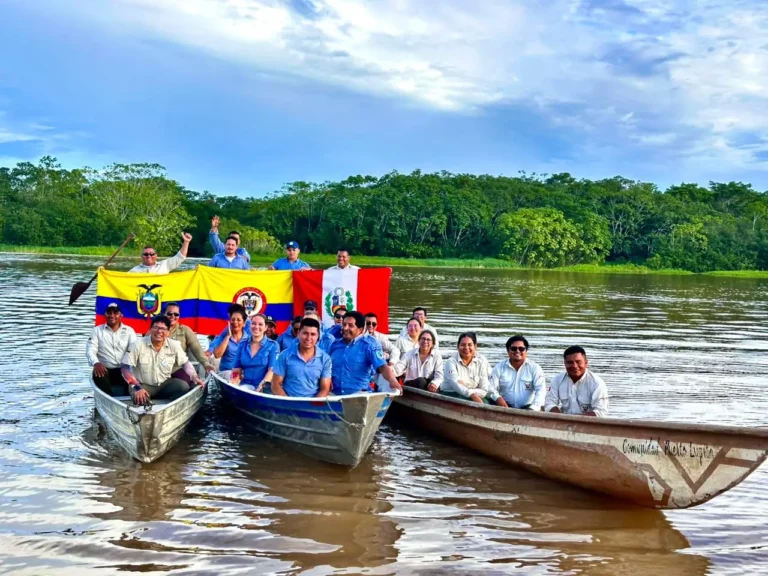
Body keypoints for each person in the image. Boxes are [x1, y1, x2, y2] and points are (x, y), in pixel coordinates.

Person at [121, 316, 205, 405]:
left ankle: (173, 409)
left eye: (163, 329)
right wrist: (136, 386)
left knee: (183, 386)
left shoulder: (174, 345)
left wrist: (194, 377)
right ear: (150, 329)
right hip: (142, 385)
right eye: (156, 327)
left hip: (164, 384)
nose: (159, 331)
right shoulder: (137, 344)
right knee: (140, 398)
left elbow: (185, 363)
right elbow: (125, 368)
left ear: (168, 332)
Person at [329, 311, 402, 395]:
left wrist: (393, 381)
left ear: (360, 329)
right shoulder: (334, 345)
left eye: (350, 325)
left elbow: (382, 366)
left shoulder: (369, 345)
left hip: (360, 395)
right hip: (334, 394)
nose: (345, 328)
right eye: (344, 324)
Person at [271, 318, 332, 397]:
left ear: (318, 336)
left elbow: (325, 388)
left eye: (313, 334)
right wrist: (289, 403)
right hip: (288, 404)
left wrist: (312, 406)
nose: (308, 338)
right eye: (305, 333)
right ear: (299, 333)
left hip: (313, 406)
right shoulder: (285, 355)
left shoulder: (325, 359)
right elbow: (275, 384)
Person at [86, 302, 137, 395]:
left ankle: (129, 397)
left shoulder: (129, 331)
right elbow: (90, 350)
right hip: (106, 369)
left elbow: (134, 350)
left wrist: (126, 365)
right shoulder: (97, 330)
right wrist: (96, 363)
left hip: (124, 368)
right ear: (105, 314)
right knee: (98, 373)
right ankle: (108, 397)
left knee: (136, 373)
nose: (112, 315)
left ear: (121, 315)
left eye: (115, 313)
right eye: (109, 312)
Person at [545, 346, 609, 417]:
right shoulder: (557, 380)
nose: (575, 366)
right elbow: (549, 403)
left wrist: (576, 420)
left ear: (586, 362)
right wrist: (559, 416)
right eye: (570, 362)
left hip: (589, 424)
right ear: (565, 363)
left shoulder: (597, 383)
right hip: (563, 422)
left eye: (578, 362)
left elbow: (601, 412)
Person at [487, 335, 546, 410]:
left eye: (521, 349)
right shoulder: (499, 367)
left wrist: (533, 408)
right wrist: (497, 398)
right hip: (503, 407)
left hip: (527, 407)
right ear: (508, 351)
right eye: (514, 348)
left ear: (526, 351)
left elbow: (541, 391)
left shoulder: (535, 368)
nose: (517, 351)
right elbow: (490, 387)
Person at [164, 302, 214, 378]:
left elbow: (197, 348)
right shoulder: (156, 330)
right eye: (169, 314)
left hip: (179, 367)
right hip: (158, 367)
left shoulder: (185, 330)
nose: (172, 316)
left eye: (176, 314)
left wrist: (206, 364)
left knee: (190, 383)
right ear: (164, 314)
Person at [231, 314, 279, 391]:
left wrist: (262, 385)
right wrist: (234, 382)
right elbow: (236, 369)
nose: (256, 327)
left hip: (263, 387)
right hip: (244, 386)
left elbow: (272, 370)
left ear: (265, 327)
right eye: (253, 323)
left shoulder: (273, 345)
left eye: (260, 324)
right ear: (250, 325)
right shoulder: (242, 344)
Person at [442, 332, 492, 404]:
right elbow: (457, 386)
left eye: (470, 345)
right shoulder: (450, 362)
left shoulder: (481, 362)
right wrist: (472, 394)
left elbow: (484, 390)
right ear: (458, 346)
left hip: (474, 395)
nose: (466, 348)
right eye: (463, 345)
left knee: (487, 402)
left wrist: (469, 391)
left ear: (475, 347)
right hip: (451, 395)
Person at [211, 305, 249, 371]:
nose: (235, 322)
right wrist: (228, 337)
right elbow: (217, 355)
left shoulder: (249, 338)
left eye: (238, 320)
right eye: (233, 319)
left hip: (242, 375)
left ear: (244, 323)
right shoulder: (225, 334)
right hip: (226, 373)